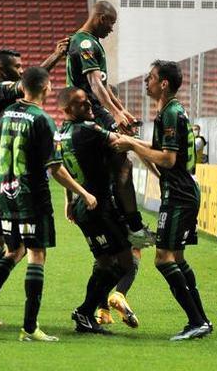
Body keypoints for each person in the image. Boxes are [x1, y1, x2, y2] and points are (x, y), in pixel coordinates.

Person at [0, 66, 96, 342]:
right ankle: (29, 327)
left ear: (22, 87)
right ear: (47, 88)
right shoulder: (42, 120)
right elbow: (56, 168)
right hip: (32, 197)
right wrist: (83, 193)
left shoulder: (3, 115)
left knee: (12, 252)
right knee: (36, 255)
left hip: (4, 194)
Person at [0, 42, 65, 326]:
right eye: (15, 67)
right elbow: (32, 82)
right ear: (0, 69)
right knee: (3, 248)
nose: (20, 72)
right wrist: (55, 56)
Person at [113, 60, 212, 341]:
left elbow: (167, 159)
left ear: (164, 83)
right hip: (182, 191)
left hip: (179, 195)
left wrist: (132, 144)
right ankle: (201, 320)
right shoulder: (169, 112)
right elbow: (159, 151)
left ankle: (196, 321)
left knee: (162, 259)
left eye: (151, 77)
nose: (147, 81)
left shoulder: (170, 114)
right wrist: (132, 142)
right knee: (177, 257)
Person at [64, 2, 151, 249]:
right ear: (101, 18)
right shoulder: (86, 43)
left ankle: (125, 221)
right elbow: (95, 85)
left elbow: (103, 84)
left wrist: (122, 112)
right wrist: (115, 113)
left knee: (119, 163)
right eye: (111, 23)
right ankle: (133, 225)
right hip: (90, 111)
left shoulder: (90, 42)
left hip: (96, 110)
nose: (112, 29)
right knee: (123, 161)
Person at [53, 87, 138, 334]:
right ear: (68, 109)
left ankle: (87, 315)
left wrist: (68, 199)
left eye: (89, 102)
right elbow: (121, 143)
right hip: (99, 207)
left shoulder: (61, 133)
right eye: (82, 104)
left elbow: (59, 168)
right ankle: (86, 310)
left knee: (103, 261)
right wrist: (159, 148)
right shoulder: (89, 129)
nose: (89, 106)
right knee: (125, 260)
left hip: (82, 206)